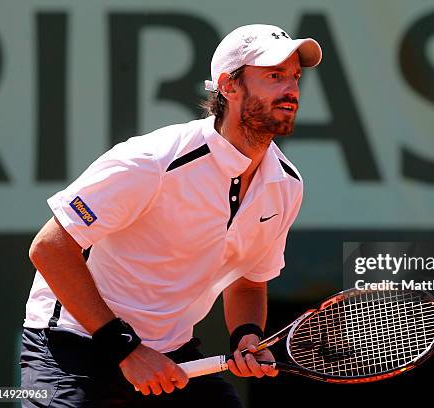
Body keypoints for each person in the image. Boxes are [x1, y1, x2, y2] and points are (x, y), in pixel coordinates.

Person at [20, 23, 322, 407]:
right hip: (75, 345)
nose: (291, 89)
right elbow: (49, 248)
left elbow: (248, 280)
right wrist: (126, 351)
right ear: (229, 86)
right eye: (274, 76)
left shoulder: (286, 185)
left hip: (170, 353)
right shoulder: (154, 161)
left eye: (295, 77)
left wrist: (246, 337)